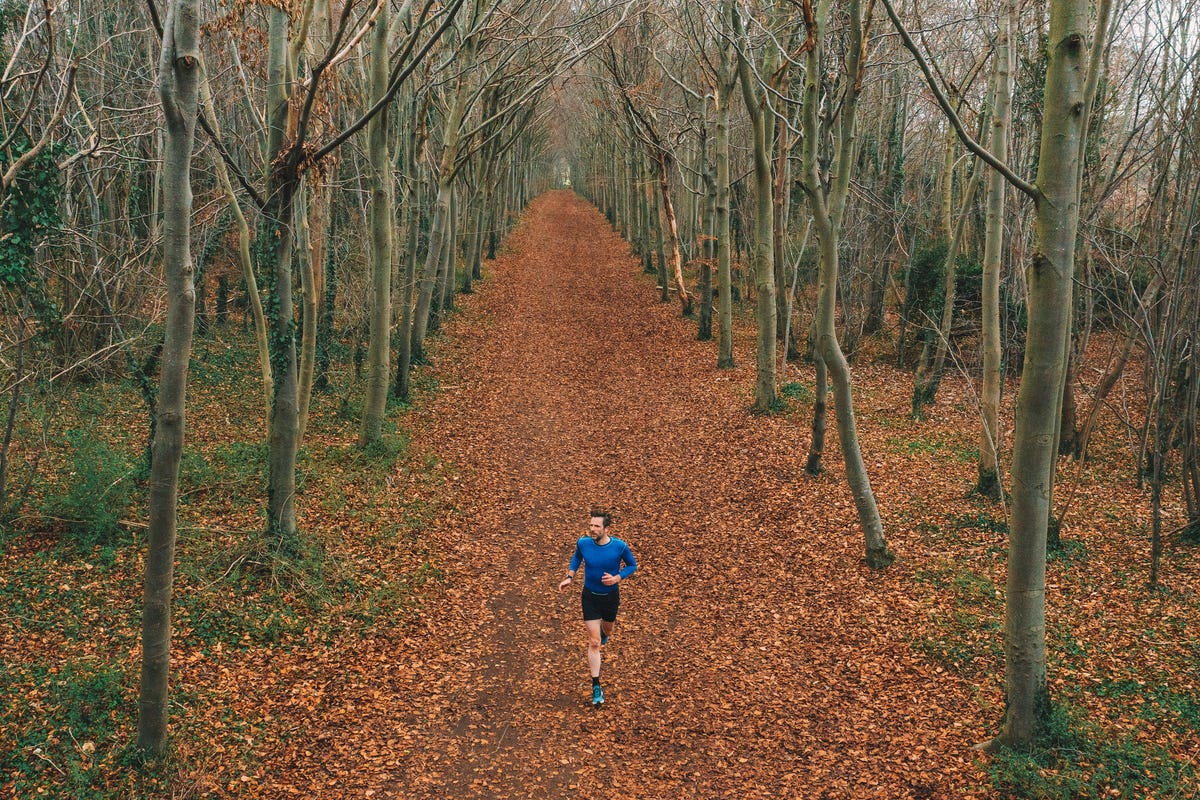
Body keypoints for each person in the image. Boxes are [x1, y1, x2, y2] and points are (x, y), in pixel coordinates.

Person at [558, 509, 637, 706]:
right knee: (594, 643)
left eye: (596, 526)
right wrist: (570, 576)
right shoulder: (583, 543)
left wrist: (617, 577)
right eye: (591, 525)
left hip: (610, 598)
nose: (592, 529)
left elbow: (632, 565)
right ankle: (596, 685)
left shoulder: (619, 547)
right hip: (590, 597)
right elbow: (577, 557)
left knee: (607, 630)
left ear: (607, 529)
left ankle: (605, 632)